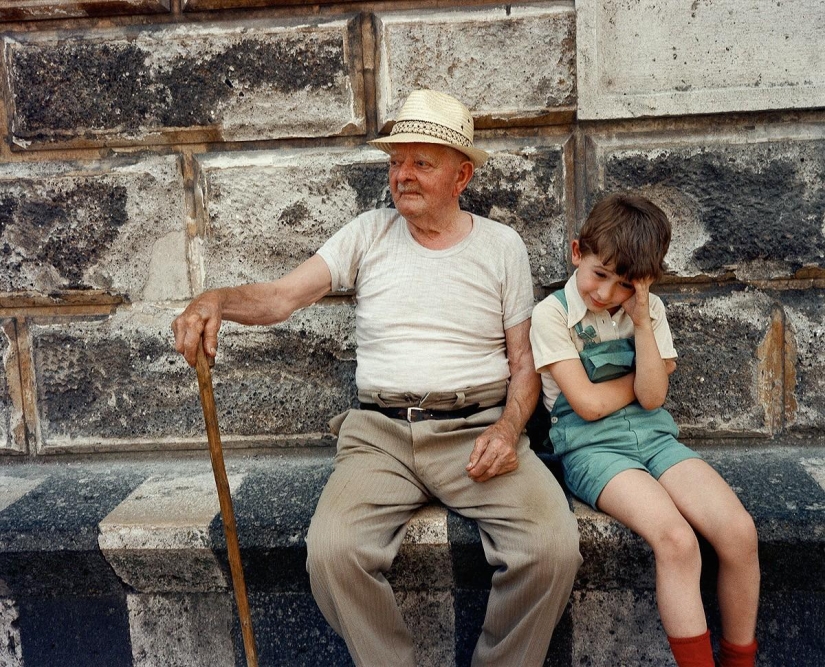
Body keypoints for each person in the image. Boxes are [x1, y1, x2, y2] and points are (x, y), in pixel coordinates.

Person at [172, 89, 581, 667]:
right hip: (380, 436)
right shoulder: (367, 233)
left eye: (421, 162)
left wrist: (509, 428)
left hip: (479, 428)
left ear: (461, 175)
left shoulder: (501, 246)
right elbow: (282, 298)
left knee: (553, 549)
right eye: (395, 162)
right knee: (333, 553)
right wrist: (216, 299)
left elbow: (524, 365)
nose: (402, 175)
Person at [529, 193, 760, 667]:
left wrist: (640, 322)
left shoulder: (646, 311)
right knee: (676, 540)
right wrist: (642, 378)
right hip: (594, 452)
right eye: (599, 275)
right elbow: (589, 406)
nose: (606, 293)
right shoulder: (551, 315)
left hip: (655, 438)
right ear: (578, 252)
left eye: (625, 284)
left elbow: (654, 399)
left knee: (738, 532)